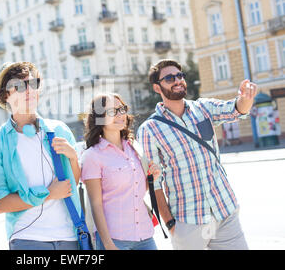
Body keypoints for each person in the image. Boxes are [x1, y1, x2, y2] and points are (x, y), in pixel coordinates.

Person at [137, 59, 256, 250]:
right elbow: (154, 184)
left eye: (179, 75)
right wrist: (170, 224)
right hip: (188, 220)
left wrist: (246, 98)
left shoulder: (204, 108)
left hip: (224, 210)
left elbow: (236, 109)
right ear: (157, 88)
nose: (177, 80)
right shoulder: (150, 130)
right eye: (169, 78)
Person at [0, 61, 82, 250]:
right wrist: (49, 194)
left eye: (34, 84)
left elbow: (72, 184)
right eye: (19, 86)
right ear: (6, 95)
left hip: (69, 235)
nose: (29, 90)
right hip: (27, 238)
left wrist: (73, 158)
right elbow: (0, 203)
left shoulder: (59, 130)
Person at [81, 93, 161, 250]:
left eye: (122, 109)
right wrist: (108, 244)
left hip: (144, 235)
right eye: (112, 111)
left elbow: (134, 191)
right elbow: (96, 205)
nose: (120, 115)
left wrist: (150, 178)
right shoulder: (92, 156)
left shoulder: (134, 148)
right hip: (114, 239)